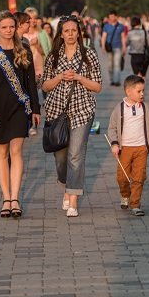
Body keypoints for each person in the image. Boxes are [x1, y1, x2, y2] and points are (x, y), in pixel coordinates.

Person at [0, 12, 41, 219]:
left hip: (19, 108)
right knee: (1, 153)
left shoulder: (23, 50)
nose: (8, 30)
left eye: (11, 27)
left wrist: (35, 108)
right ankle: (5, 198)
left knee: (16, 151)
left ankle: (15, 198)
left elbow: (30, 82)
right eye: (4, 27)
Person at [42, 15, 102, 217]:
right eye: (66, 31)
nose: (70, 34)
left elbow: (97, 86)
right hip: (57, 110)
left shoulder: (89, 55)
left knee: (75, 155)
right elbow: (45, 85)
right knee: (61, 158)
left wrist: (78, 77)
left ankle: (73, 198)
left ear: (79, 33)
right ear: (60, 33)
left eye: (73, 31)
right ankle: (65, 183)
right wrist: (59, 76)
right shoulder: (53, 57)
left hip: (82, 110)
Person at [106, 75, 149, 216]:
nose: (142, 94)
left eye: (143, 91)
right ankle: (125, 195)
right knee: (122, 177)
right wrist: (114, 144)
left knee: (138, 177)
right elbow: (111, 128)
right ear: (128, 91)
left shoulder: (145, 108)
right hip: (125, 149)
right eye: (139, 91)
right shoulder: (120, 108)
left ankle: (135, 204)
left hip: (141, 148)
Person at [101, 10, 126, 87]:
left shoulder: (121, 26)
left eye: (112, 16)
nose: (111, 18)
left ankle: (117, 80)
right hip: (109, 48)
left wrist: (124, 47)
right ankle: (112, 79)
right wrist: (103, 47)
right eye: (110, 16)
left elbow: (123, 37)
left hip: (118, 47)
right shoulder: (106, 26)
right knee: (110, 65)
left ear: (116, 16)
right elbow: (103, 37)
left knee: (117, 64)